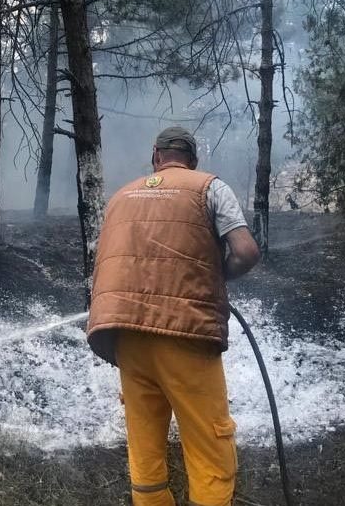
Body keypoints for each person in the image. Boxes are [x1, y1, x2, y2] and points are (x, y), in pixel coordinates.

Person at [87, 126, 261, 506]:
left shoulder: (120, 197)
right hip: (185, 334)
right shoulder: (209, 188)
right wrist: (216, 276)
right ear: (192, 161)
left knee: (145, 446)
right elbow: (246, 251)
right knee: (209, 445)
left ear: (156, 155)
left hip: (127, 335)